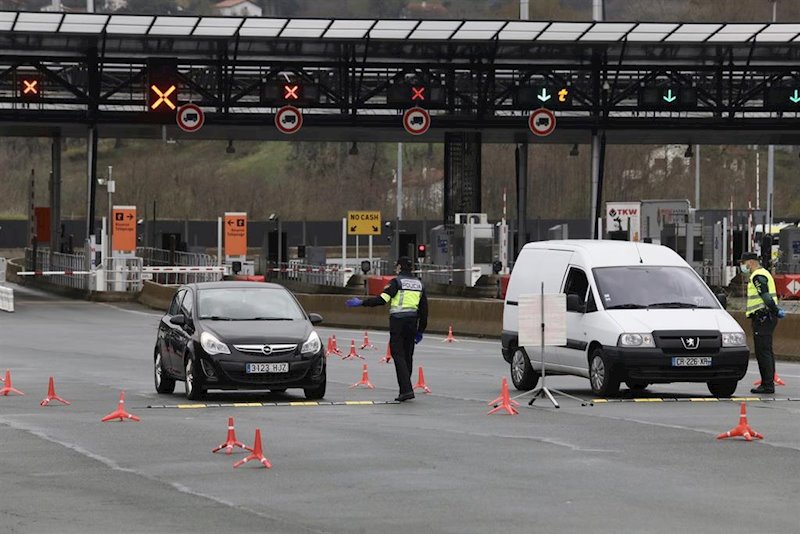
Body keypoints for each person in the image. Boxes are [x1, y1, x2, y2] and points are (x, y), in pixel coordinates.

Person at [345, 256, 428, 401]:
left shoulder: (396, 282)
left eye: (397, 266)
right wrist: (420, 330)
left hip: (398, 322)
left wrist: (362, 303)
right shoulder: (419, 284)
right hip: (412, 322)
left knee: (398, 355)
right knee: (407, 356)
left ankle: (406, 390)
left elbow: (382, 300)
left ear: (400, 267)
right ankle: (405, 388)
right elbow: (424, 310)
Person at [740, 252, 785, 394]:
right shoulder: (764, 273)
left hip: (763, 317)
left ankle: (767, 385)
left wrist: (776, 310)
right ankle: (768, 382)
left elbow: (765, 296)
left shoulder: (757, 276)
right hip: (766, 317)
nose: (743, 266)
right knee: (766, 351)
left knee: (763, 352)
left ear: (750, 262)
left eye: (743, 263)